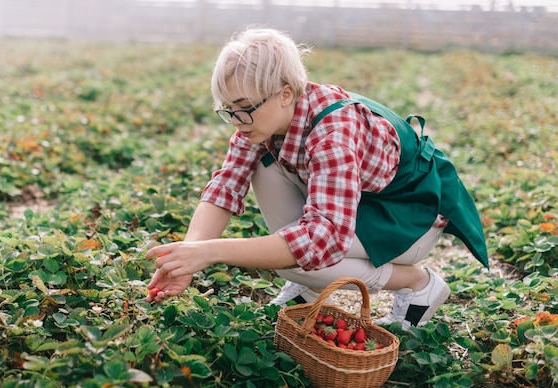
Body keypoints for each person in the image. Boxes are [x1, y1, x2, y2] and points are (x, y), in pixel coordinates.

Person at [144, 27, 489, 330]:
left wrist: (212, 253)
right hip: (360, 204)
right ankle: (311, 289)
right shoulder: (257, 123)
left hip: (409, 215)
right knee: (264, 167)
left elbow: (320, 240)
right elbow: (225, 185)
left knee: (299, 263)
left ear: (285, 94)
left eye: (244, 106)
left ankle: (416, 283)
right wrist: (188, 255)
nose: (236, 119)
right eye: (227, 109)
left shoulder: (333, 129)